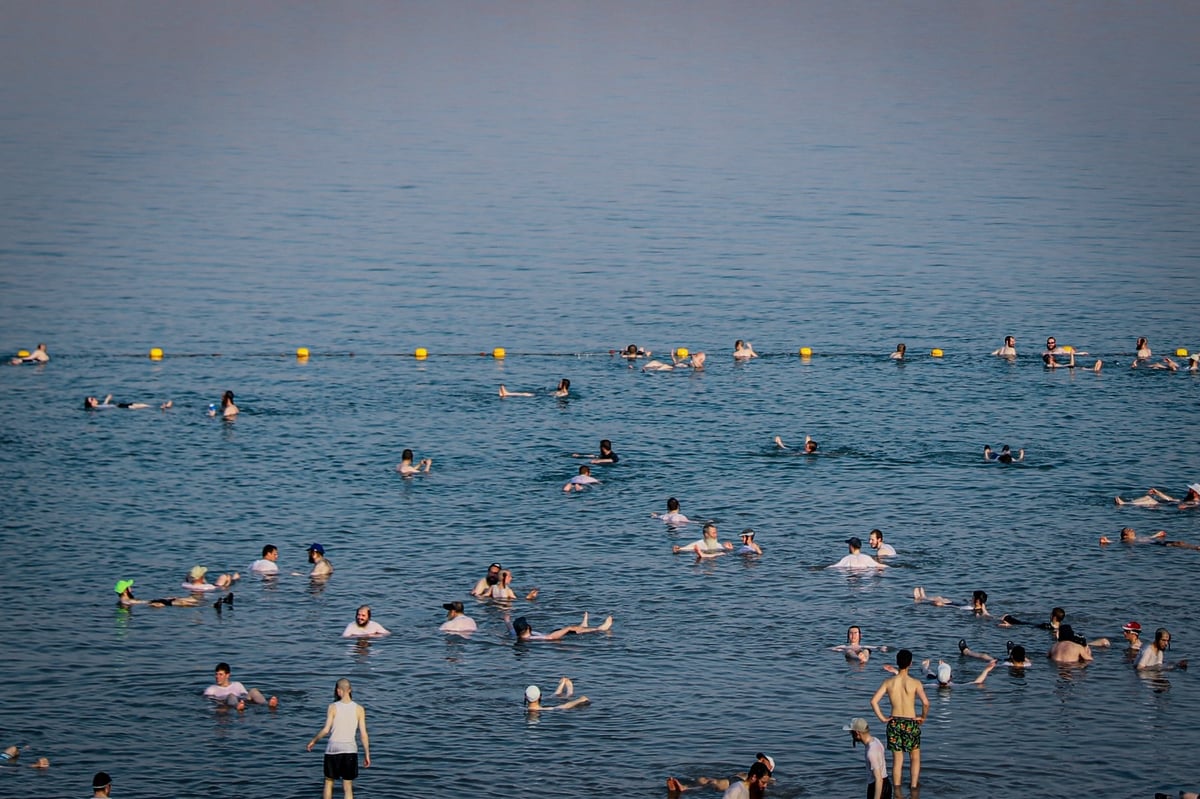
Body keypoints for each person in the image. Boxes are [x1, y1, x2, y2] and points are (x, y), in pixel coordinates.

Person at [870, 649, 928, 789]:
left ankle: (897, 788)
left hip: (894, 722)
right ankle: (913, 787)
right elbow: (926, 703)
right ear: (911, 664)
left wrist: (883, 718)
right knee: (914, 757)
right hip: (911, 722)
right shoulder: (915, 683)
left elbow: (873, 701)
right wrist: (922, 717)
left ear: (897, 663)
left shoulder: (888, 682)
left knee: (898, 759)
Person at [307, 677, 370, 799]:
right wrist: (367, 754)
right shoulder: (359, 709)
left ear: (338, 691)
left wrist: (313, 741)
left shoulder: (333, 707)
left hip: (333, 749)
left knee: (329, 782)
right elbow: (363, 734)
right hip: (350, 750)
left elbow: (326, 730)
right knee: (347, 786)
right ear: (350, 690)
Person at [665, 754, 775, 796]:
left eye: (764, 760)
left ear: (770, 768)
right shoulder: (753, 771)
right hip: (732, 779)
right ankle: (686, 788)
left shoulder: (768, 779)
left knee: (713, 784)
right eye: (760, 759)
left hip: (736, 782)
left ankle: (685, 789)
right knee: (704, 780)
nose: (760, 760)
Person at [844, 717, 890, 799]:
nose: (851, 735)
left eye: (851, 733)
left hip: (878, 786)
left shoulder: (871, 752)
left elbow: (879, 779)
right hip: (886, 783)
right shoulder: (876, 740)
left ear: (857, 733)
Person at [204, 662, 278, 710]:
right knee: (231, 696)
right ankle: (238, 707)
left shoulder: (237, 685)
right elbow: (210, 702)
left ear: (227, 675)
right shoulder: (211, 689)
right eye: (216, 674)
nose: (217, 676)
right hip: (227, 704)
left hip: (242, 702)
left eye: (220, 674)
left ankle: (266, 704)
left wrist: (247, 700)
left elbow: (245, 695)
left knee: (254, 690)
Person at [510, 612, 613, 641]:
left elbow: (510, 628)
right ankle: (601, 628)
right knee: (575, 632)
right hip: (558, 636)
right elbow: (550, 637)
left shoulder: (516, 634)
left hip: (554, 632)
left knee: (576, 630)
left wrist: (507, 620)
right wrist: (567, 629)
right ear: (527, 627)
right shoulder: (532, 638)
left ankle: (583, 625)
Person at [114, 578, 206, 608]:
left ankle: (203, 604)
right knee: (181, 602)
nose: (131, 588)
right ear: (125, 591)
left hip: (154, 600)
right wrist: (154, 604)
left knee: (185, 599)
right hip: (154, 602)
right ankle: (206, 607)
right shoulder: (126, 601)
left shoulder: (125, 600)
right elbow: (142, 603)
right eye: (129, 587)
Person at [523, 677, 590, 711]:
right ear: (540, 696)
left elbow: (564, 706)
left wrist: (580, 700)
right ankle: (569, 692)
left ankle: (560, 691)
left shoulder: (521, 708)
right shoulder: (545, 709)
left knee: (552, 697)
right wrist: (580, 700)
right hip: (541, 704)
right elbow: (565, 706)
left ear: (525, 696)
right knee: (564, 697)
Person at [912, 587, 987, 615]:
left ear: (977, 600)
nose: (972, 597)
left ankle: (920, 598)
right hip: (958, 603)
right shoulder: (978, 606)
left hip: (954, 605)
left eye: (973, 597)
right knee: (940, 597)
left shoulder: (969, 608)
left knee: (939, 599)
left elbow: (955, 608)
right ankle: (924, 596)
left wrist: (942, 605)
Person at [1099, 527, 1167, 544]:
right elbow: (1116, 542)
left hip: (1156, 543)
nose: (1131, 529)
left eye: (1131, 529)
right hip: (1155, 545)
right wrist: (1107, 541)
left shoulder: (1137, 537)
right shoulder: (1126, 540)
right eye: (1128, 530)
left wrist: (1157, 534)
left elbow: (1149, 537)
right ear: (1125, 536)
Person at [84, 394, 152, 410]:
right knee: (140, 406)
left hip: (119, 405)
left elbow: (105, 404)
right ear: (91, 404)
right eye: (92, 399)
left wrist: (107, 399)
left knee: (143, 405)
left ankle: (155, 407)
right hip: (120, 407)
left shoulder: (99, 406)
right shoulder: (98, 408)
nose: (94, 398)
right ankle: (157, 408)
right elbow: (105, 406)